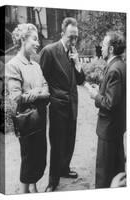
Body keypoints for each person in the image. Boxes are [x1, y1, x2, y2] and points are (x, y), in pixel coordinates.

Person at [40, 17, 85, 191]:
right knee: (57, 143)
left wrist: (77, 64)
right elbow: (41, 79)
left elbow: (80, 80)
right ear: (62, 33)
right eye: (71, 37)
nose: (74, 41)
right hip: (58, 107)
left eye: (76, 37)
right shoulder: (49, 51)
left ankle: (65, 168)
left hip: (72, 104)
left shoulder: (73, 52)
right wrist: (50, 99)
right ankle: (53, 180)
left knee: (69, 141)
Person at [6, 23, 49, 193]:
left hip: (40, 118)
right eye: (35, 39)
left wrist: (36, 92)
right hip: (26, 120)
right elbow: (15, 96)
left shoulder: (36, 66)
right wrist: (38, 92)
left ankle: (34, 188)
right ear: (23, 39)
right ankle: (25, 192)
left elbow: (47, 91)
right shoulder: (14, 65)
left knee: (39, 158)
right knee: (28, 159)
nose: (38, 43)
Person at [88, 31, 126, 188]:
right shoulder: (120, 65)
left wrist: (95, 95)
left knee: (104, 172)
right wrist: (101, 90)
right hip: (116, 128)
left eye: (103, 45)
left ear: (110, 49)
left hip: (109, 129)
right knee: (116, 167)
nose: (101, 48)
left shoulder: (114, 69)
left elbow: (110, 104)